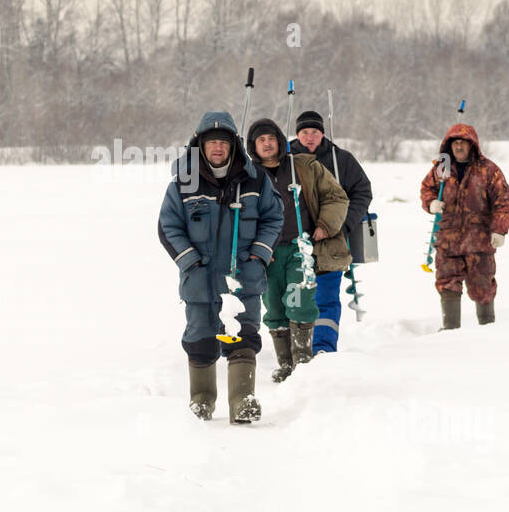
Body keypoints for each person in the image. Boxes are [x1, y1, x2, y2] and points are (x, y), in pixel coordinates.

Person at [158, 111, 283, 424]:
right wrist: (189, 261)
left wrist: (259, 254)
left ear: (233, 146)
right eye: (211, 142)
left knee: (244, 336)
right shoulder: (183, 184)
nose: (217, 147)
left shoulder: (254, 179)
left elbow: (274, 217)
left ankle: (242, 400)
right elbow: (167, 226)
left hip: (243, 275)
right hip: (200, 277)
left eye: (223, 142)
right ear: (200, 145)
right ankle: (201, 400)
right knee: (200, 337)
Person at [245, 117, 349, 381]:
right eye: (261, 141)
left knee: (300, 300)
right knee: (274, 305)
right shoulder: (248, 175)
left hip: (299, 247)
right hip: (264, 252)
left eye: (271, 139)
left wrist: (325, 225)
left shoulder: (304, 166)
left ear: (279, 141)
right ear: (253, 147)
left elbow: (336, 197)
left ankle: (303, 361)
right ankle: (286, 364)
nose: (267, 144)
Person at [290, 110, 373, 354]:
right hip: (294, 242)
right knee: (295, 299)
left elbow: (362, 191)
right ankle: (296, 351)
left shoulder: (341, 159)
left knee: (325, 299)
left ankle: (323, 350)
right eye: (304, 132)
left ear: (322, 133)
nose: (310, 137)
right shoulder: (284, 157)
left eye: (314, 132)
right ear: (297, 134)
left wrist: (342, 224)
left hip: (331, 243)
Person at [419, 124, 509, 329]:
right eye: (455, 143)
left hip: (479, 242)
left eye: (463, 143)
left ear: (472, 145)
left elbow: (502, 201)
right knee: (447, 286)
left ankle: (488, 329)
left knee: (483, 287)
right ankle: (450, 331)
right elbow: (427, 189)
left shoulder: (489, 170)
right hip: (448, 242)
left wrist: (499, 229)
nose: (459, 147)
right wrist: (431, 203)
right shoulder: (440, 169)